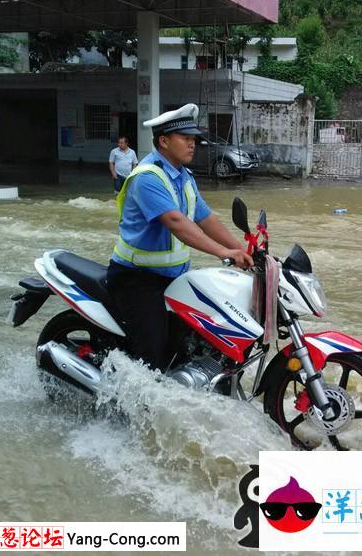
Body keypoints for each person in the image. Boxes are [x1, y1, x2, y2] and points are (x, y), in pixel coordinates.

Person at [106, 103, 253, 371]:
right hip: (138, 280)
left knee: (194, 342)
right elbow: (177, 222)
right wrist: (223, 253)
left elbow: (206, 218)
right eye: (185, 138)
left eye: (194, 138)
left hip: (174, 277)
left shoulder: (184, 177)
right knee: (153, 356)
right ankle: (137, 407)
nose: (192, 144)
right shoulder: (147, 178)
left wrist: (243, 250)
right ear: (163, 141)